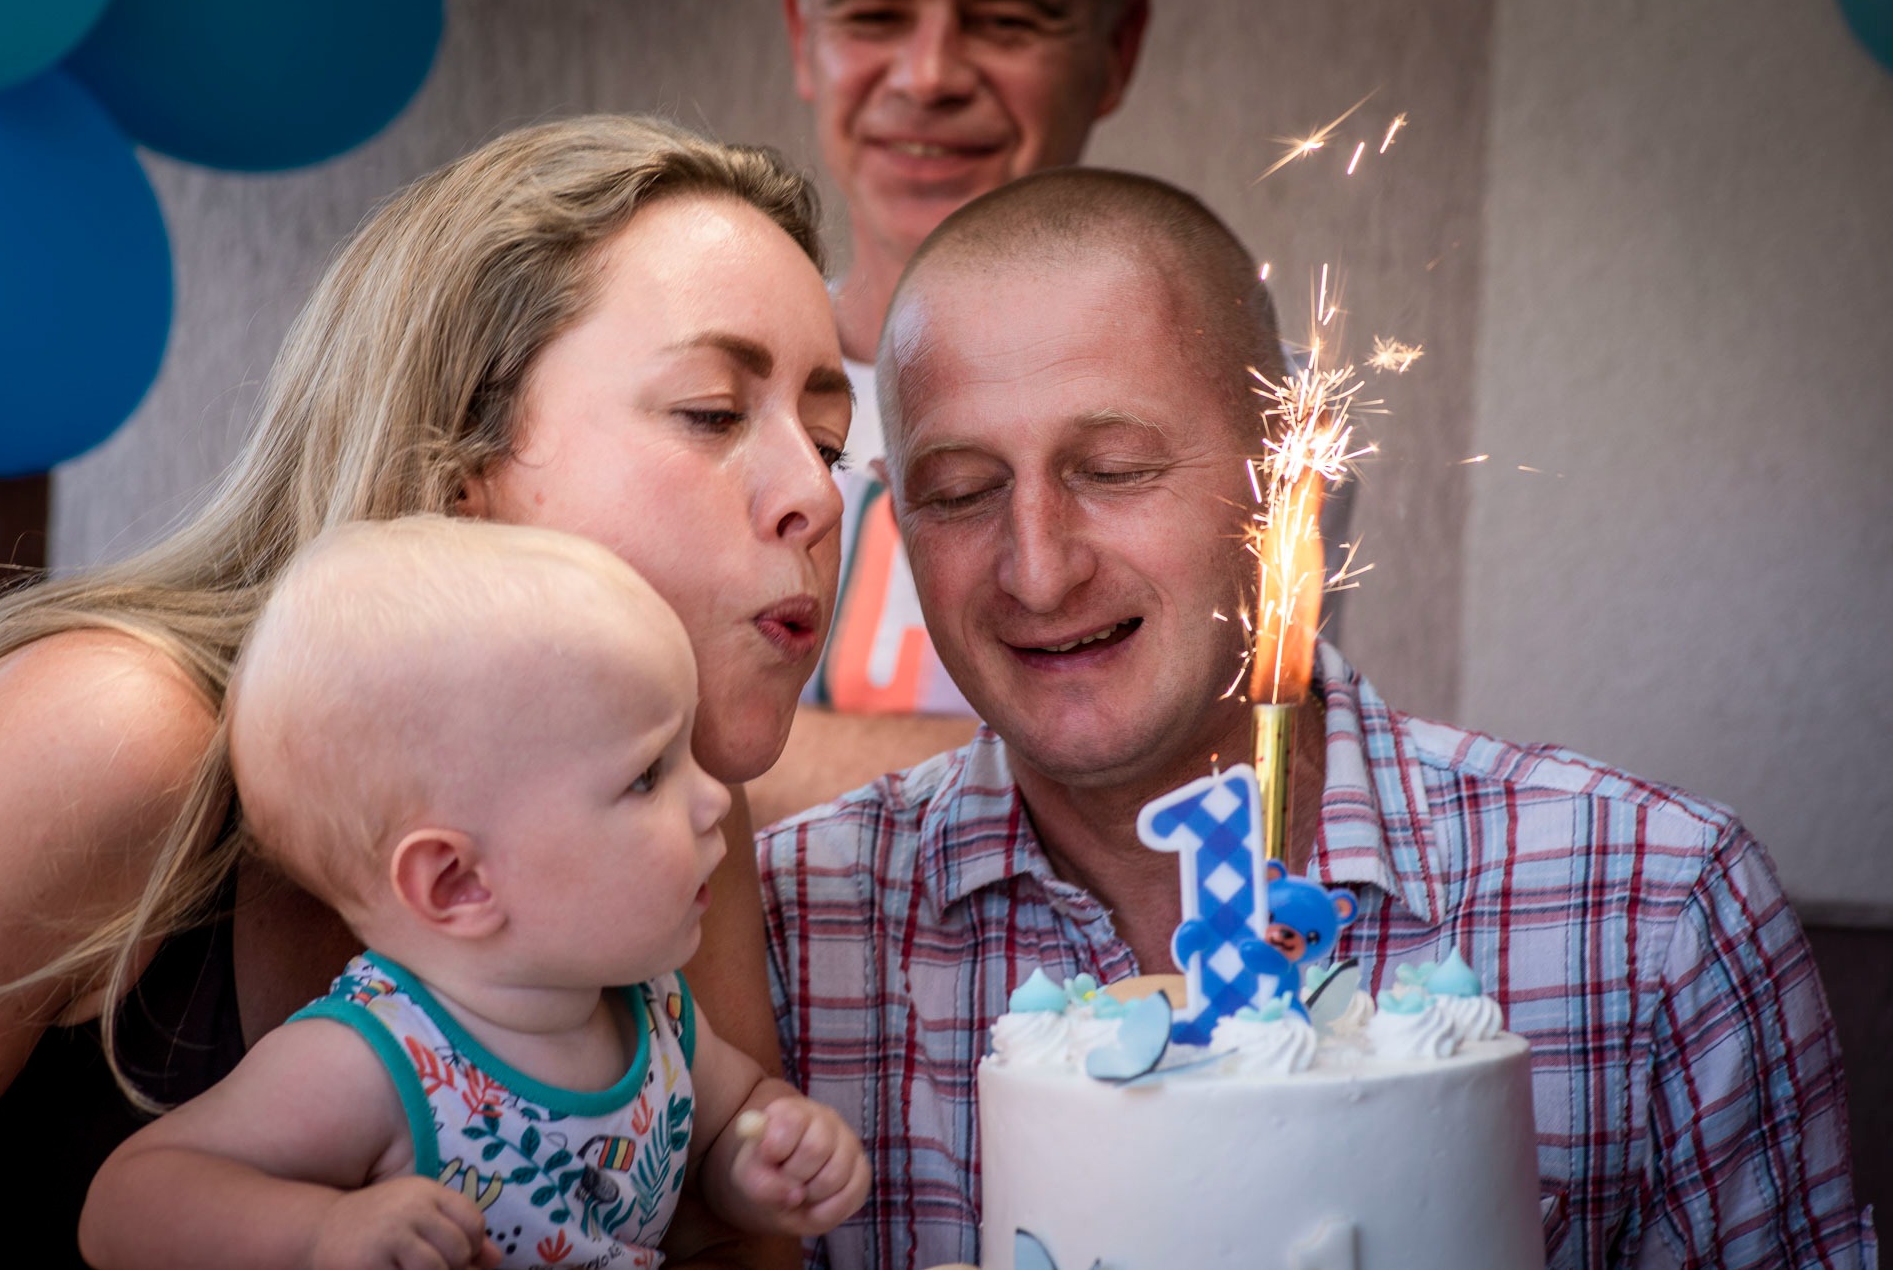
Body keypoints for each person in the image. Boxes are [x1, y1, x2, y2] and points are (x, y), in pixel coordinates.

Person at [757, 168, 1877, 1269]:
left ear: (1289, 475)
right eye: (959, 491)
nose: (1039, 571)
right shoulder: (779, 941)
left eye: (1115, 468)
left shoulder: (1653, 909)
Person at [0, 114, 848, 1268]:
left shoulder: (686, 811)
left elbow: (730, 1242)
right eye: (713, 413)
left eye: (830, 439)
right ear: (460, 472)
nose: (818, 497)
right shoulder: (121, 730)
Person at [79, 518, 870, 1270]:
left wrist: (765, 1159)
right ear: (458, 883)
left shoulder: (654, 1012)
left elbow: (726, 1126)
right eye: (646, 776)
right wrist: (319, 1234)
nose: (714, 801)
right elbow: (125, 1204)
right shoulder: (372, 1061)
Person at [749, 0, 1151, 824]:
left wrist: (689, 755)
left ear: (1116, 51)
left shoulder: (1247, 406)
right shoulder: (685, 392)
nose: (928, 77)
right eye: (873, 14)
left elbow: (1188, 775)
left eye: (1008, 17)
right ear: (800, 33)